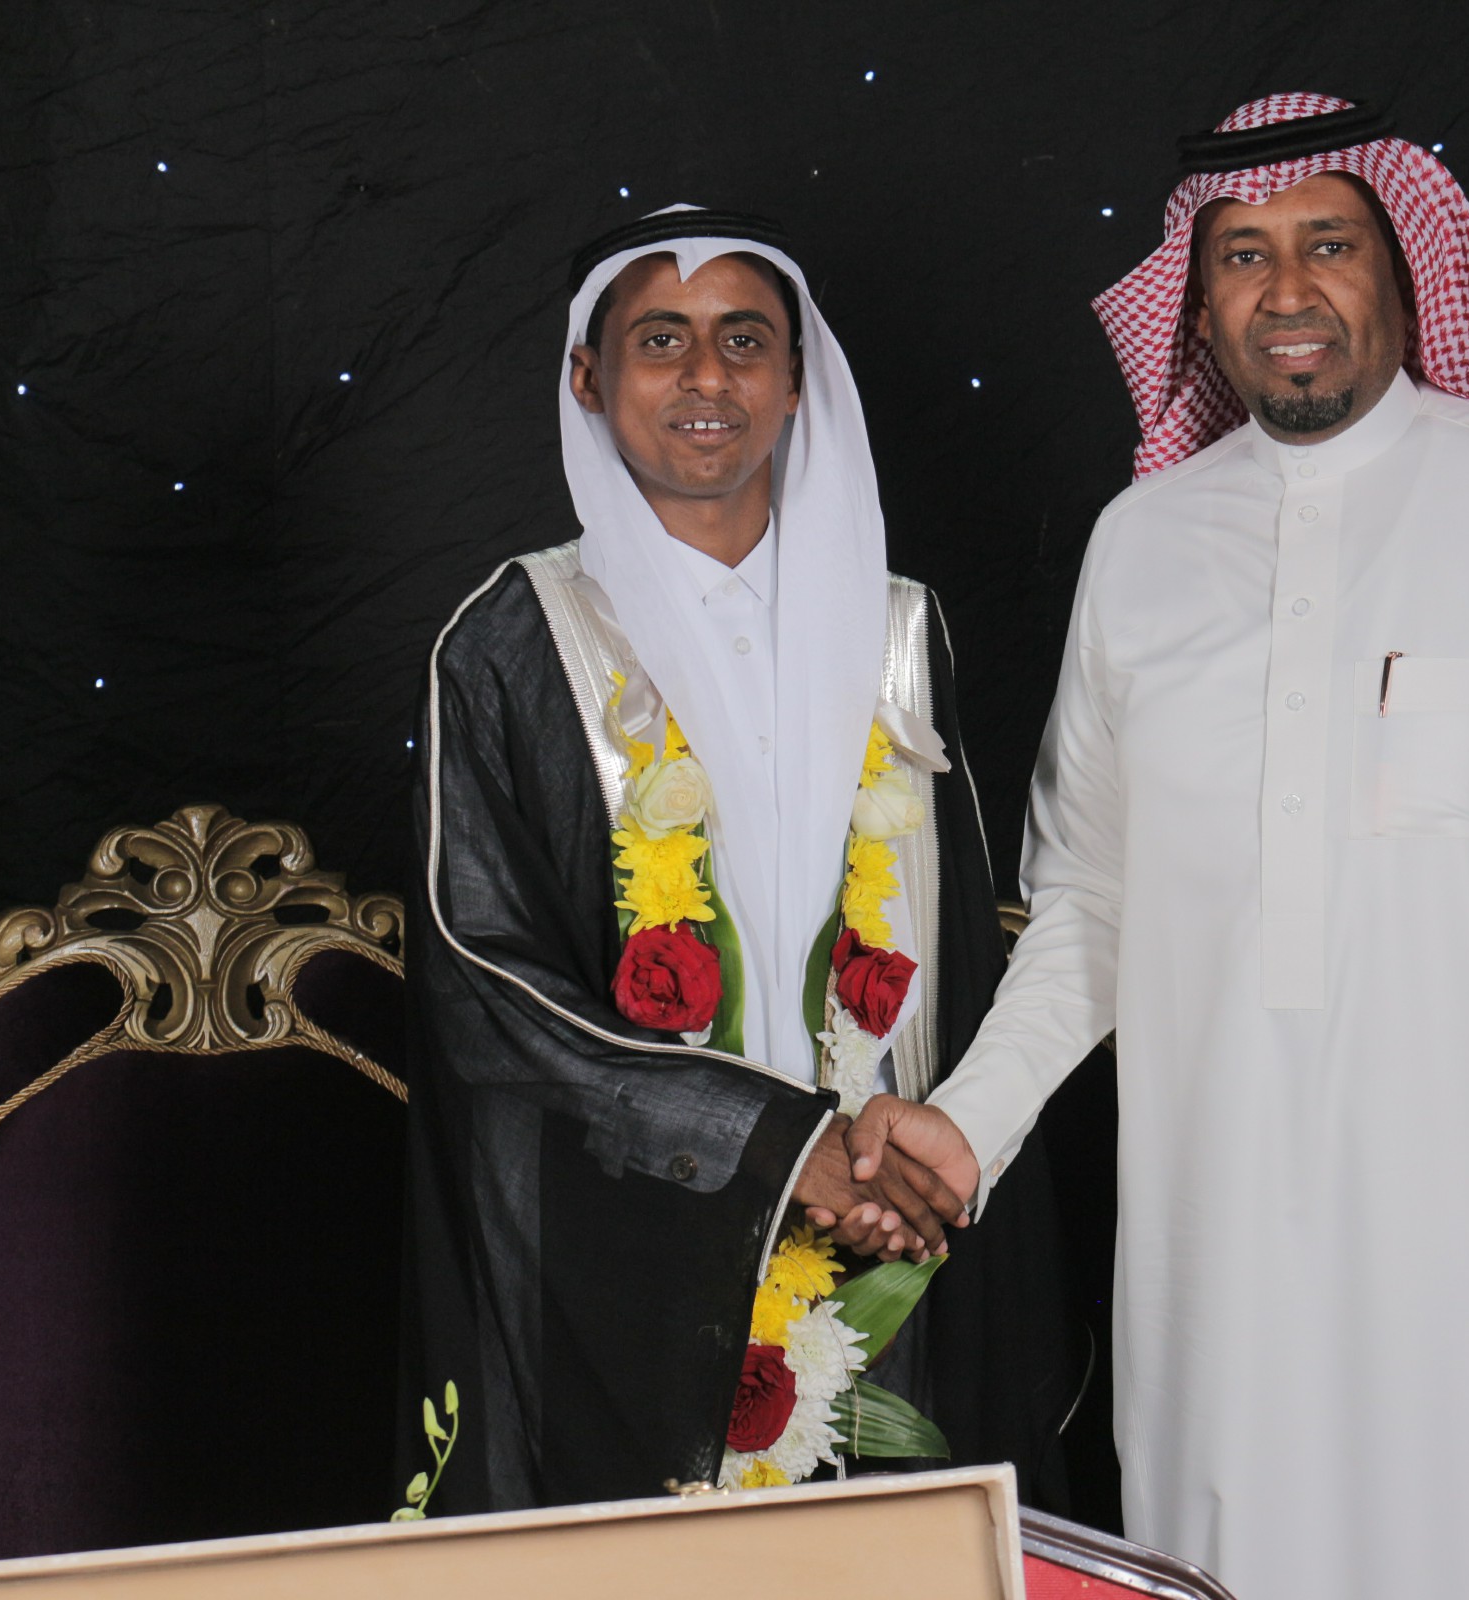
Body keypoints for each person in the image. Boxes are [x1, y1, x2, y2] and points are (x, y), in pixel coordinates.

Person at [853, 97, 1469, 1597]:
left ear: (1402, 270)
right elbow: (1092, 907)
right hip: (1229, 1273)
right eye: (1242, 255)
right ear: (1197, 301)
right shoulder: (1140, 546)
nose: (1287, 291)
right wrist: (971, 1124)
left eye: (1328, 244)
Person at [401, 205, 1075, 1513]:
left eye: (744, 340)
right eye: (661, 340)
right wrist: (769, 1149)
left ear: (797, 378)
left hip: (889, 1245)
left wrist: (904, 1177)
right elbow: (483, 975)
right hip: (628, 1249)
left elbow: (960, 956)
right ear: (588, 377)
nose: (706, 376)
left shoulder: (899, 631)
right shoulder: (513, 638)